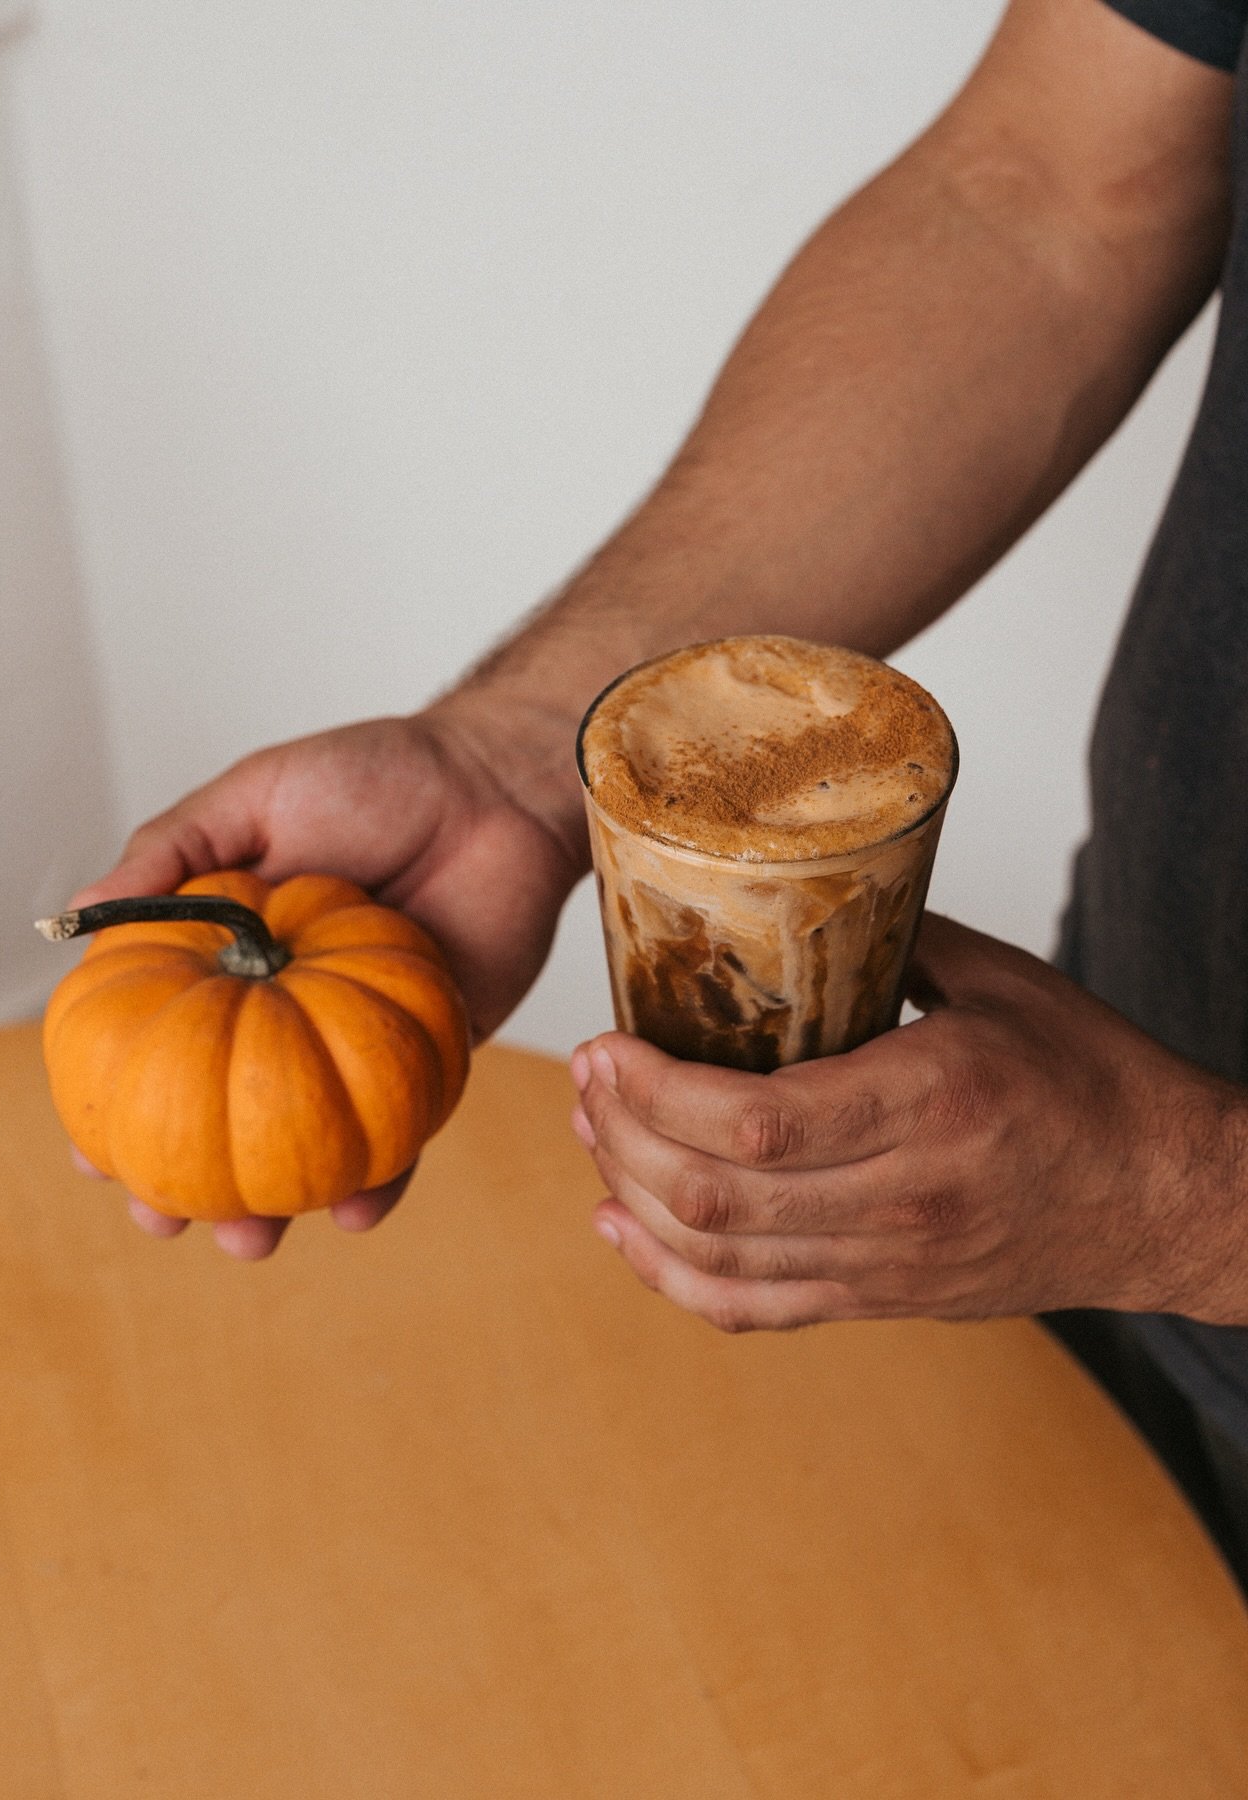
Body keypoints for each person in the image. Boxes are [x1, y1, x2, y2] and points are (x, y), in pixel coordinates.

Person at [72, 0, 1248, 1583]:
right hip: (1135, 1092)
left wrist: (1185, 1200)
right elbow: (1044, 191)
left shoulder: (1152, 1197)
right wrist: (513, 756)